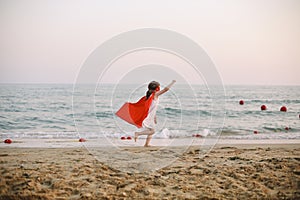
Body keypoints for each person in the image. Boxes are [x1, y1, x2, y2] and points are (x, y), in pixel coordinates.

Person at [134, 80, 176, 147]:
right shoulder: (155, 95)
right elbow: (166, 89)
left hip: (151, 116)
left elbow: (152, 107)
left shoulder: (150, 96)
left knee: (151, 130)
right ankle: (138, 134)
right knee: (152, 131)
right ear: (157, 88)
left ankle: (146, 144)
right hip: (148, 116)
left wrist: (154, 117)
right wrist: (173, 82)